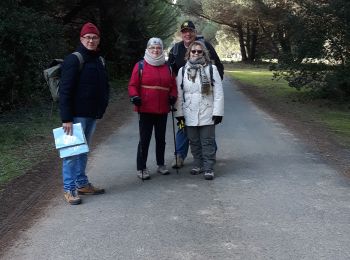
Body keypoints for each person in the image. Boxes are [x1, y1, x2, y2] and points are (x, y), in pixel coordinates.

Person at [59, 22, 109, 205]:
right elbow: (64, 91)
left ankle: (81, 184)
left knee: (83, 150)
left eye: (94, 37)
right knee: (71, 153)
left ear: (98, 40)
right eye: (87, 37)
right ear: (81, 39)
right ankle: (69, 188)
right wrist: (66, 118)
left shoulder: (99, 59)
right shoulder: (74, 59)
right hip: (75, 116)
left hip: (91, 114)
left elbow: (104, 85)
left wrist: (102, 107)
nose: (91, 40)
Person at [168, 20, 224, 168]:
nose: (187, 34)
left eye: (190, 31)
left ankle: (210, 154)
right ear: (181, 34)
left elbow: (218, 66)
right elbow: (170, 72)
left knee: (206, 127)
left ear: (195, 32)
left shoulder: (205, 46)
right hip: (185, 99)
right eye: (184, 31)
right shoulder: (175, 50)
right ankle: (179, 155)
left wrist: (214, 85)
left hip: (205, 98)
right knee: (182, 127)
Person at [128, 37, 177, 180]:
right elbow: (132, 85)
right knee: (145, 139)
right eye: (152, 48)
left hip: (162, 109)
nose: (155, 50)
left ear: (162, 50)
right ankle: (141, 167)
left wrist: (173, 96)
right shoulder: (141, 65)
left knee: (161, 139)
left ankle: (161, 164)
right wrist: (134, 96)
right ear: (147, 50)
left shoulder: (167, 66)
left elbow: (173, 86)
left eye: (158, 48)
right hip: (145, 108)